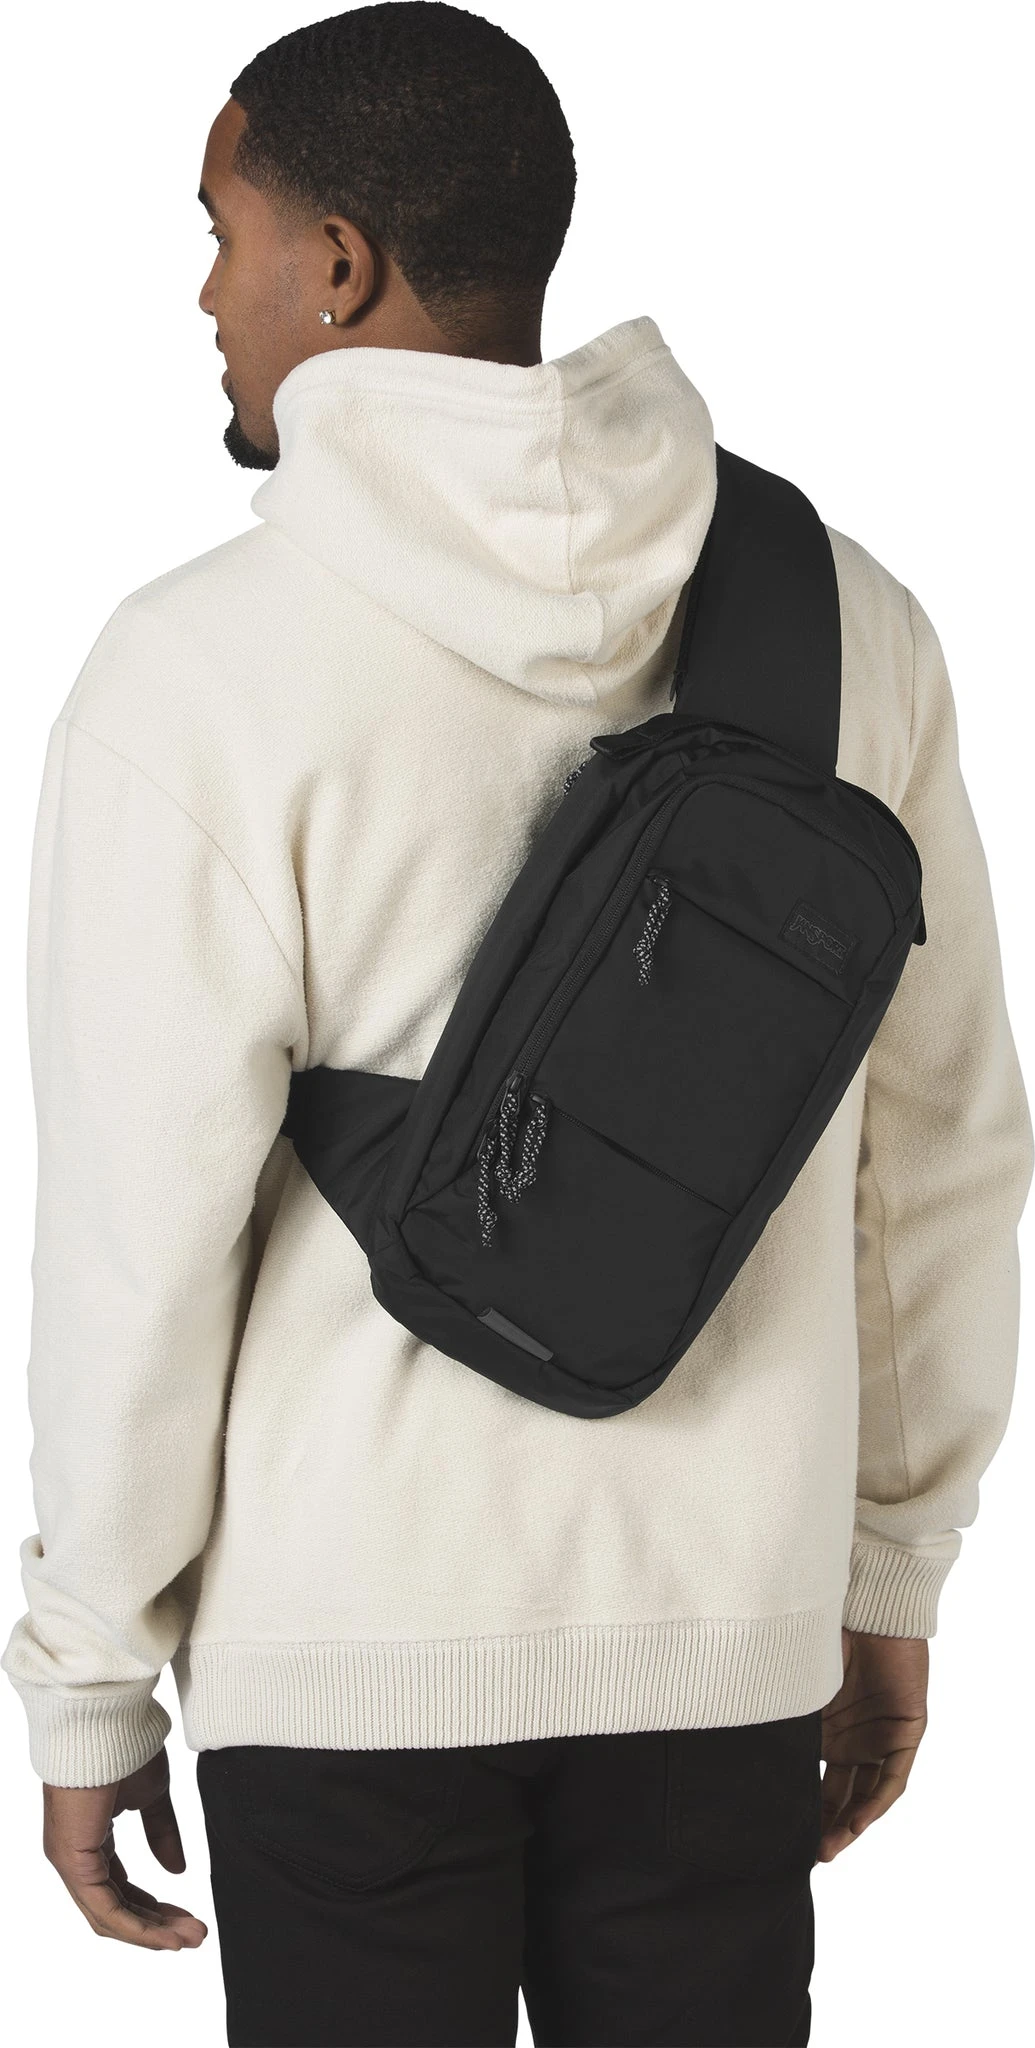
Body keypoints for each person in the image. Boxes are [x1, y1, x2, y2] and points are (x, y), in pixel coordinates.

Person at [3, 6, 1031, 2046]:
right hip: (722, 1642)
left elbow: (139, 1246)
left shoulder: (194, 674)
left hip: (345, 1663)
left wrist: (89, 1676)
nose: (205, 294)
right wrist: (884, 1569)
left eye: (219, 231)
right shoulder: (842, 615)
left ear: (337, 264)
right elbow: (931, 1158)